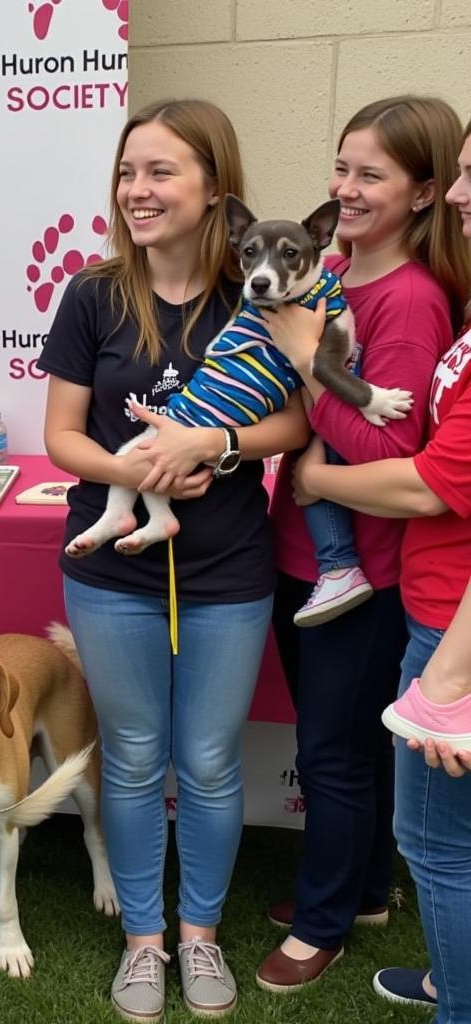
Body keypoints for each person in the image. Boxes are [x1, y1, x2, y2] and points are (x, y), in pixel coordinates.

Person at [39, 98, 310, 1021]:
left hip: (230, 568)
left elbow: (301, 419)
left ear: (213, 190)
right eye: (128, 172)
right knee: (134, 754)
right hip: (112, 567)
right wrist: (139, 466)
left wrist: (215, 446)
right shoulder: (93, 294)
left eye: (160, 172)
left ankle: (200, 937)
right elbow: (62, 438)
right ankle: (143, 944)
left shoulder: (266, 288)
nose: (138, 190)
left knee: (207, 759)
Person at [256, 95, 471, 992]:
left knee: (334, 756)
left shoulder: (411, 300)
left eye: (370, 175)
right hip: (305, 556)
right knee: (336, 748)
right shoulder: (327, 272)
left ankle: (322, 923)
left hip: (369, 573)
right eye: (340, 167)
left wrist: (311, 364)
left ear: (424, 193)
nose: (344, 189)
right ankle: (365, 888)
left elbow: (392, 452)